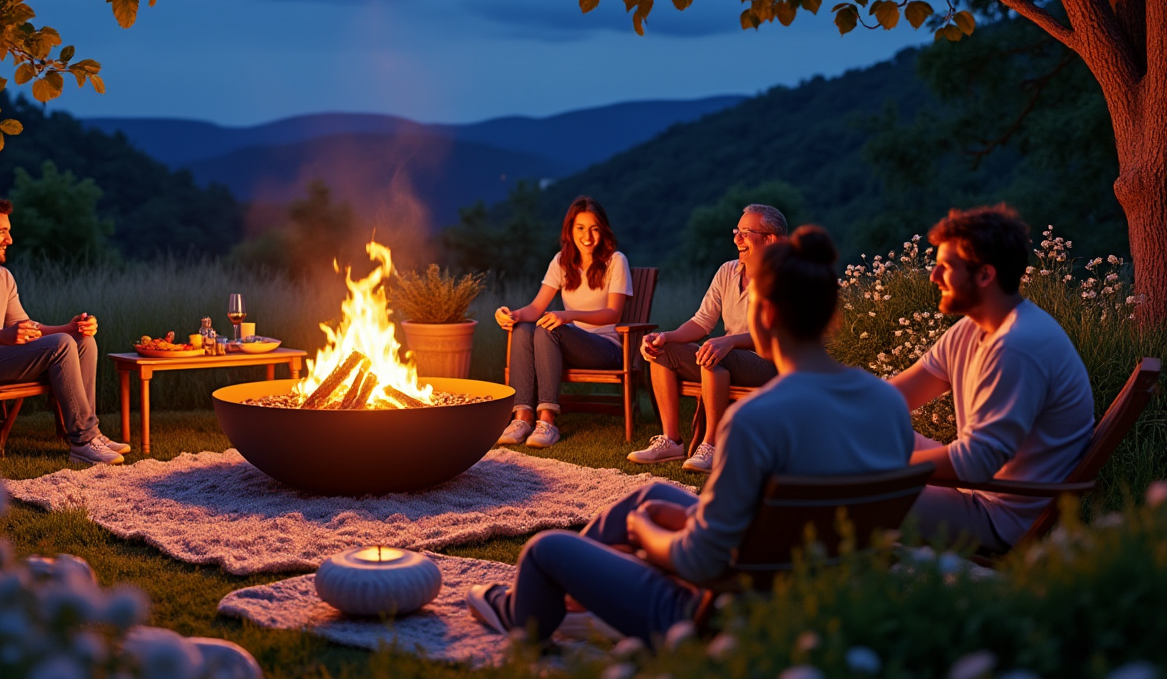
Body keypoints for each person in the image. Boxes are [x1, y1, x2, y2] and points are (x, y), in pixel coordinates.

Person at [467, 227, 914, 644]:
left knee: (548, 548)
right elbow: (788, 522)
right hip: (810, 584)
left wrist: (646, 532)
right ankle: (580, 595)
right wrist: (667, 516)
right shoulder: (887, 402)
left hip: (717, 614)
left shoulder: (756, 419)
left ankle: (524, 614)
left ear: (766, 314)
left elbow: (699, 561)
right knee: (650, 494)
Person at [891, 205, 1094, 552]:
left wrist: (870, 467)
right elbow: (893, 399)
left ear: (985, 275)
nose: (934, 276)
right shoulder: (973, 329)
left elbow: (974, 464)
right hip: (974, 491)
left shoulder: (1018, 345)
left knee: (842, 490)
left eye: (946, 266)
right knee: (849, 437)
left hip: (997, 516)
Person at [0, 195, 127, 465]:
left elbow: (25, 327)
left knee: (83, 341)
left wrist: (70, 328)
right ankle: (83, 441)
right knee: (61, 344)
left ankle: (90, 435)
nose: (10, 239)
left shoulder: (3, 277)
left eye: (9, 231)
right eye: (2, 231)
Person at [627, 204, 787, 472]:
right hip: (726, 357)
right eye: (737, 231)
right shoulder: (728, 271)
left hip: (768, 364)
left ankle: (712, 444)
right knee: (662, 351)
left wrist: (731, 341)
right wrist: (665, 336)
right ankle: (672, 441)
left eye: (746, 232)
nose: (737, 238)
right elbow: (703, 321)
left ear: (770, 239)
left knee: (714, 354)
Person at [494, 196, 633, 449]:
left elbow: (613, 313)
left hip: (605, 348)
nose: (587, 236)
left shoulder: (616, 261)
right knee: (525, 327)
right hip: (569, 346)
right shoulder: (561, 262)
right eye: (580, 228)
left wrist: (569, 315)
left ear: (603, 230)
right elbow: (536, 308)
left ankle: (547, 421)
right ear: (570, 229)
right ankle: (522, 417)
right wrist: (510, 315)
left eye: (594, 229)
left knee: (550, 329)